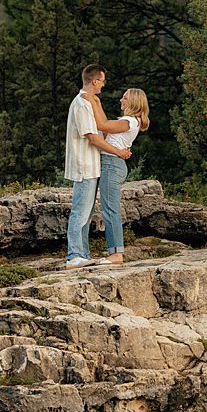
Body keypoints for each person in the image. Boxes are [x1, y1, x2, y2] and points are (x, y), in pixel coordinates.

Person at [63, 64, 131, 268]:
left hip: (92, 165)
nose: (104, 84)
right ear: (94, 81)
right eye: (102, 81)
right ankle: (74, 254)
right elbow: (93, 137)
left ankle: (81, 253)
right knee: (81, 211)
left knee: (86, 212)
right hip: (85, 164)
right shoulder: (82, 104)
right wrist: (118, 151)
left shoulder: (90, 102)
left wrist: (97, 102)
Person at [96, 89, 149, 265]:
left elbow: (102, 125)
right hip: (111, 163)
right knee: (109, 208)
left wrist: (94, 103)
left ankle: (117, 253)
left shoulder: (129, 121)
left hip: (112, 164)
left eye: (124, 97)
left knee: (111, 210)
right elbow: (103, 130)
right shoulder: (130, 122)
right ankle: (114, 250)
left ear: (133, 101)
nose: (121, 100)